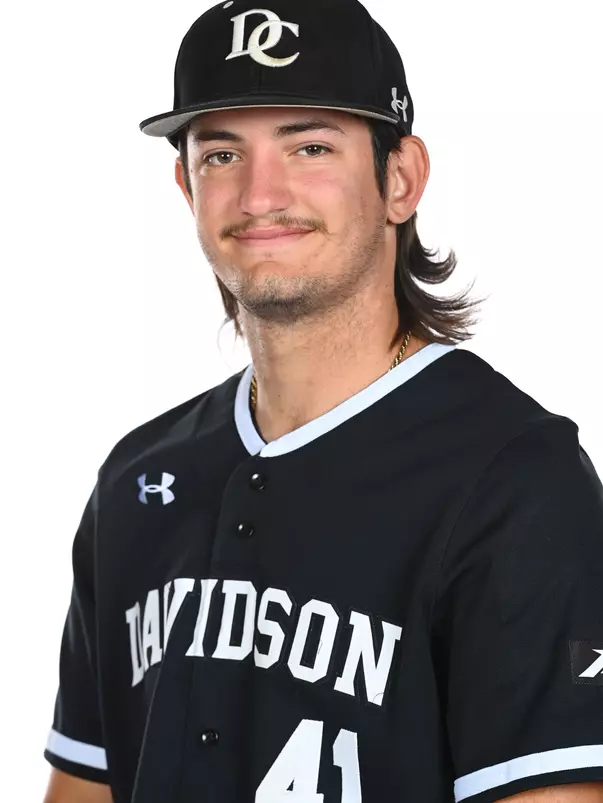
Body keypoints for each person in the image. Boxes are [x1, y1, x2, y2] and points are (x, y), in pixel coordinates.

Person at [43, 1, 603, 802]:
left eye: (309, 146)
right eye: (221, 154)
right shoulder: (139, 476)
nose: (259, 195)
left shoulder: (512, 478)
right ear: (184, 184)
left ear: (399, 178)